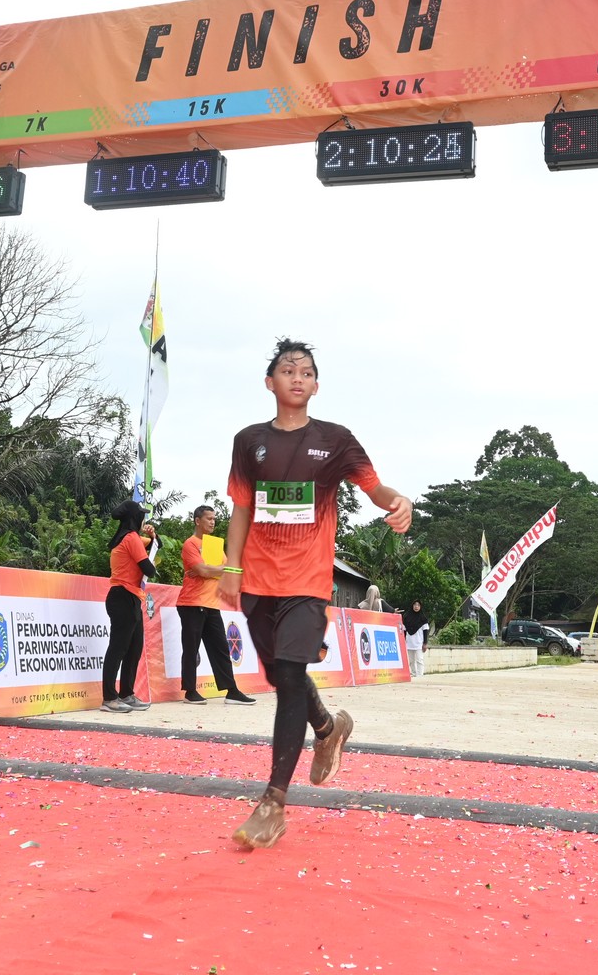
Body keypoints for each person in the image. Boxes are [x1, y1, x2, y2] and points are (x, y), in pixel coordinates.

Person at [215, 339, 412, 849]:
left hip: (307, 580)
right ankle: (327, 728)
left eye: (305, 372)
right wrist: (231, 567)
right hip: (257, 580)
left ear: (316, 386)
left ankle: (272, 802)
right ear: (270, 383)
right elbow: (241, 508)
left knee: (290, 674)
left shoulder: (336, 440)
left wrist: (399, 501)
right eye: (287, 370)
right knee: (280, 675)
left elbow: (375, 489)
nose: (297, 377)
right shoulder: (248, 442)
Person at [177, 504, 255, 705]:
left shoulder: (214, 545)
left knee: (221, 649)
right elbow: (203, 570)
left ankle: (232, 691)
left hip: (212, 604)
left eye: (214, 518)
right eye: (209, 518)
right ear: (197, 521)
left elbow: (227, 570)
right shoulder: (190, 544)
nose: (213, 522)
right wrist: (210, 570)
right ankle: (190, 691)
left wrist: (212, 570)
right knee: (191, 649)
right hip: (191, 603)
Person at [101, 501, 157, 712]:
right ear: (135, 518)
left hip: (131, 597)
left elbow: (154, 544)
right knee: (118, 648)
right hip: (122, 597)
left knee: (134, 648)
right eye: (141, 515)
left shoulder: (129, 537)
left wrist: (153, 536)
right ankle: (109, 698)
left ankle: (126, 693)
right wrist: (151, 550)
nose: (144, 519)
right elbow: (149, 569)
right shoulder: (131, 538)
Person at [402, 601, 431, 678]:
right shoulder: (407, 617)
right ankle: (413, 673)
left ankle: (420, 675)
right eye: (415, 605)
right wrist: (403, 641)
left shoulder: (423, 618)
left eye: (418, 605)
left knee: (419, 659)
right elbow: (404, 631)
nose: (416, 606)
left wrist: (425, 643)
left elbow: (425, 631)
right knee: (411, 660)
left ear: (420, 607)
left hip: (419, 643)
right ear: (412, 606)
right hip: (409, 642)